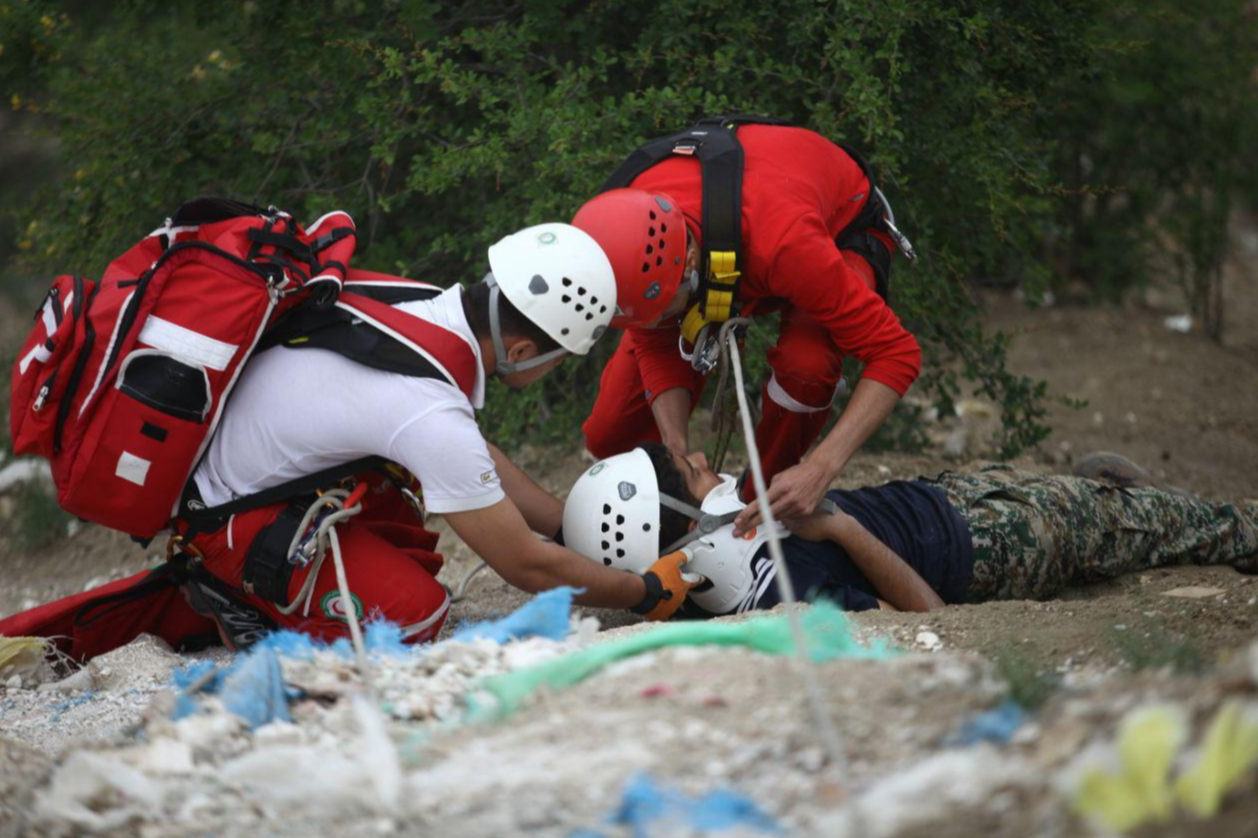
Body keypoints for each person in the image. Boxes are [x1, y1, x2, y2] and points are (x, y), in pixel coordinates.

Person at [0, 224, 701, 659]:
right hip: (227, 516)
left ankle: (246, 582)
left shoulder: (418, 303)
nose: (553, 368)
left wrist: (562, 519)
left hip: (243, 474)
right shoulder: (427, 409)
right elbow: (526, 568)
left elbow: (473, 461)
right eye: (557, 356)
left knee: (411, 546)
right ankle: (228, 596)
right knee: (415, 615)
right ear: (520, 347)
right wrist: (640, 591)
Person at [571, 120, 922, 536]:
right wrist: (675, 454)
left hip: (839, 226)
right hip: (734, 239)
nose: (660, 324)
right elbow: (653, 337)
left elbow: (898, 354)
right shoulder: (622, 233)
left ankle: (757, 509)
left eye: (665, 312)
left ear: (685, 265)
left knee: (804, 366)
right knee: (611, 436)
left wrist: (820, 467)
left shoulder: (785, 244)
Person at [562, 446, 1258, 617]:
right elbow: (926, 617)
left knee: (1099, 505)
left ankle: (1108, 505)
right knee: (1188, 526)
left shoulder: (722, 556)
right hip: (990, 544)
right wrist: (838, 530)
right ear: (668, 524)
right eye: (682, 473)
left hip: (946, 500)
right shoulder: (775, 591)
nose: (697, 462)